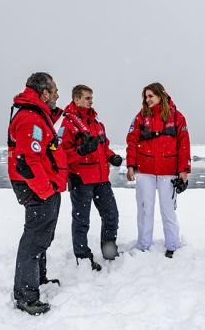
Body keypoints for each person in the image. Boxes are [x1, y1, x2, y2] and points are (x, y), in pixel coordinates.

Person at [7, 72, 68, 315]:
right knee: (34, 239)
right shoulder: (31, 118)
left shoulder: (36, 115)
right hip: (37, 187)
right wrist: (46, 189)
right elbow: (27, 160)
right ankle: (25, 296)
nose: (57, 95)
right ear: (44, 92)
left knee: (41, 236)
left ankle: (38, 279)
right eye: (54, 90)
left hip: (42, 185)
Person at [60, 85, 122, 271]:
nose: (91, 101)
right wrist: (81, 150)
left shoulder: (96, 123)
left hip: (102, 179)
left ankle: (109, 252)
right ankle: (83, 259)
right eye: (87, 98)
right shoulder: (68, 124)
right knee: (82, 221)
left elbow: (104, 146)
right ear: (77, 99)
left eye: (91, 98)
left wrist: (112, 156)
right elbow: (62, 155)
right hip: (81, 180)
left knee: (111, 215)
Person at [126, 82, 191, 258]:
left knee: (168, 210)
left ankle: (172, 245)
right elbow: (132, 141)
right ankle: (143, 245)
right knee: (145, 209)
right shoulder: (140, 117)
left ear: (160, 95)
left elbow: (183, 144)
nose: (147, 100)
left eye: (151, 96)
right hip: (145, 171)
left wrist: (183, 170)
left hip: (168, 171)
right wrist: (130, 165)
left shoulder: (177, 117)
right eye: (145, 97)